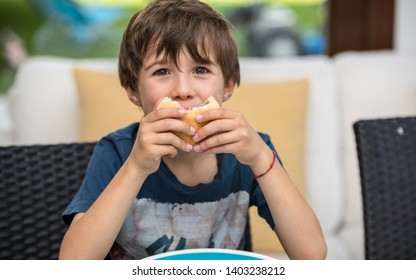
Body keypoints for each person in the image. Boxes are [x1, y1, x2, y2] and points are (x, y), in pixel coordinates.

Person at [59, 0, 327, 260]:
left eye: (200, 69)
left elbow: (311, 255)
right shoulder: (118, 152)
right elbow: (72, 263)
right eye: (162, 71)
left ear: (228, 85)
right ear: (132, 90)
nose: (183, 90)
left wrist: (261, 158)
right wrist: (136, 167)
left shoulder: (249, 152)